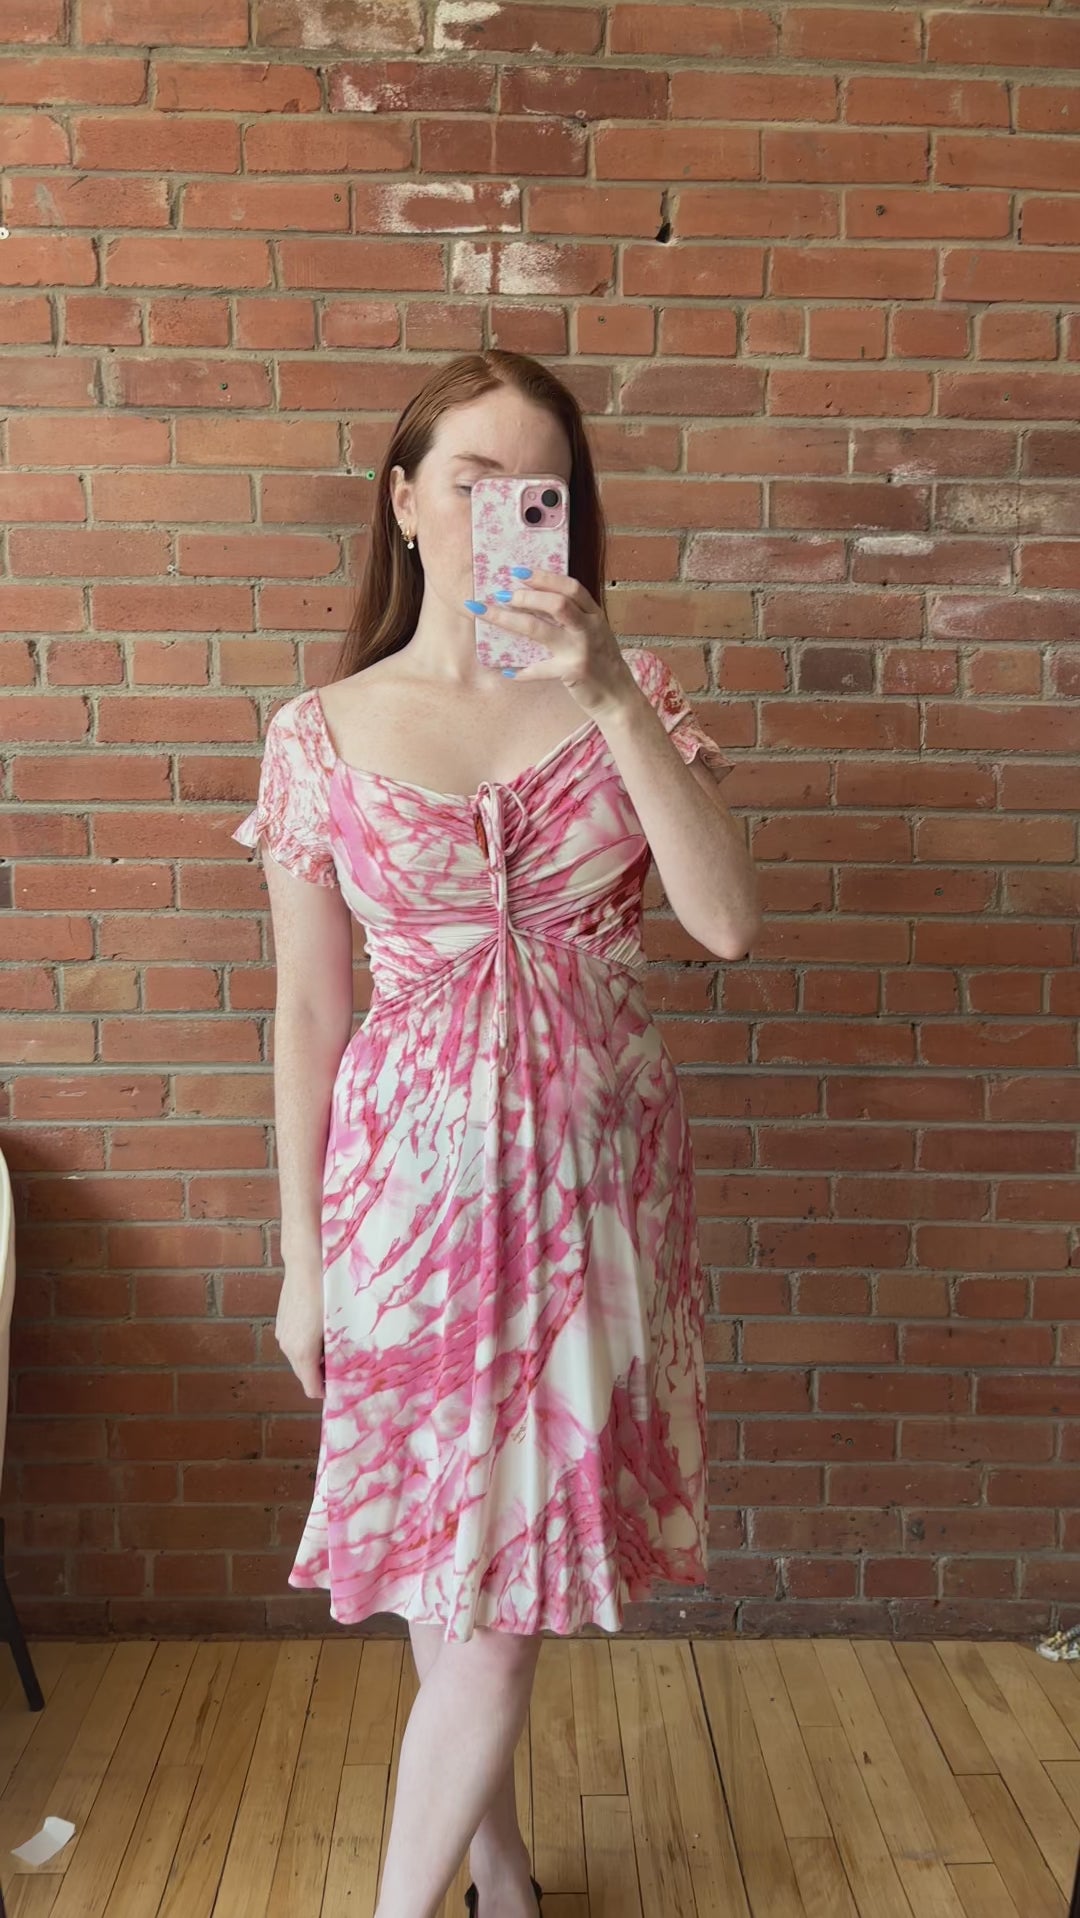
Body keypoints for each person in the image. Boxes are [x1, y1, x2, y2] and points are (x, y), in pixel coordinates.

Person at [230, 349, 760, 1918]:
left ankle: (453, 1885)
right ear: (404, 504)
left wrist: (607, 691)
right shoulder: (319, 734)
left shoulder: (629, 694)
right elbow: (308, 1012)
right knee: (455, 1587)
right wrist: (301, 1262)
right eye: (469, 482)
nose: (501, 512)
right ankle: (491, 1871)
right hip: (403, 1216)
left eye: (538, 487)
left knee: (494, 1608)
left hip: (595, 1211)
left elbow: (727, 920)